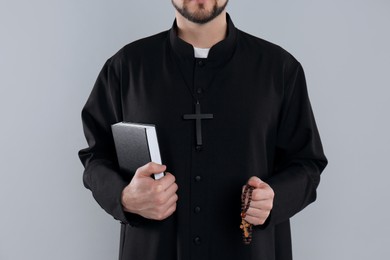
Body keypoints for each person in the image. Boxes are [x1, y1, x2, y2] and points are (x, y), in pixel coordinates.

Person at [78, 1, 327, 259]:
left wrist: (276, 197)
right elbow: (96, 157)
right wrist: (124, 197)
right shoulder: (125, 68)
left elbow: (307, 163)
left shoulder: (281, 69)